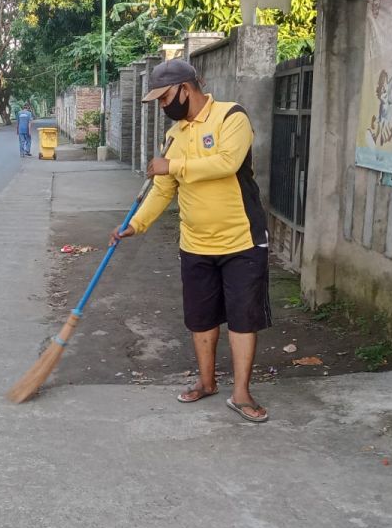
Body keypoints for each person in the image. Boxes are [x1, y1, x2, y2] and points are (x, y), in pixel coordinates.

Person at [109, 59, 271, 423]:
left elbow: (227, 163)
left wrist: (174, 166)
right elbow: (163, 189)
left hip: (241, 240)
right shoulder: (174, 136)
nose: (165, 107)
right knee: (200, 319)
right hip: (195, 243)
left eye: (166, 98)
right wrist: (136, 225)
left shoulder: (232, 117)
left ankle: (242, 394)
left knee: (244, 320)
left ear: (186, 87)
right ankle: (207, 381)